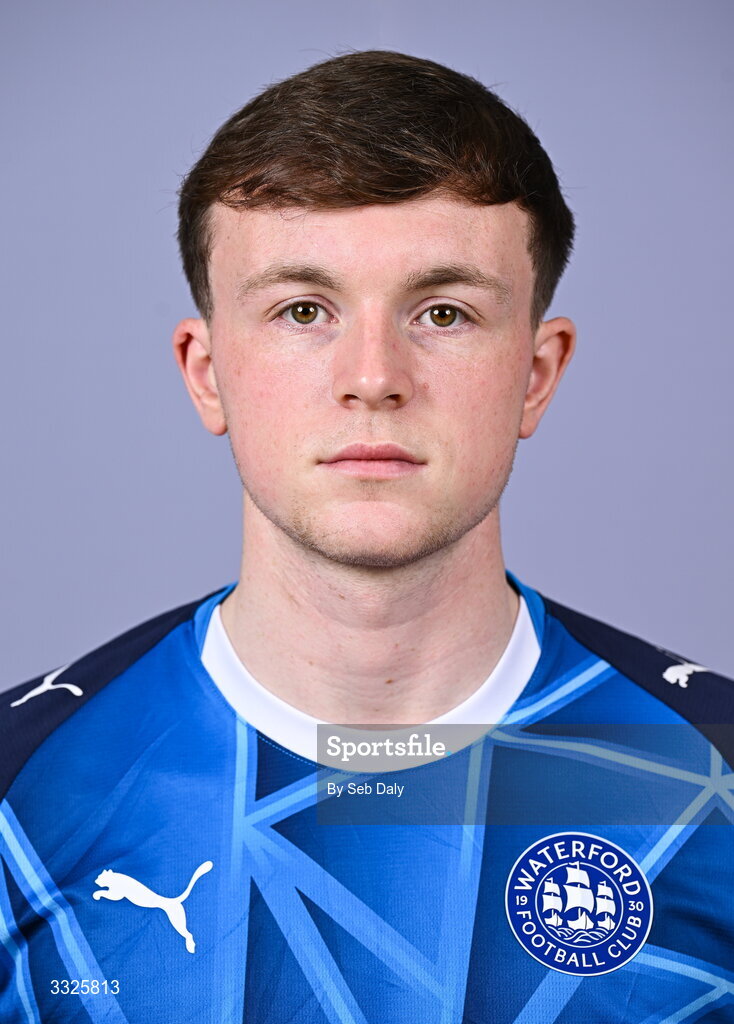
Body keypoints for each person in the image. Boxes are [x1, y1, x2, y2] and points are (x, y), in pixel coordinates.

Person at [1, 49, 732, 1024]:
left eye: (442, 311)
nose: (372, 375)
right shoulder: (21, 793)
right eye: (303, 310)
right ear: (206, 370)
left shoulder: (711, 779)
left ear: (535, 371)